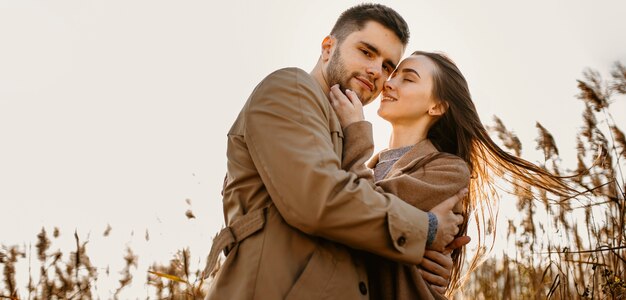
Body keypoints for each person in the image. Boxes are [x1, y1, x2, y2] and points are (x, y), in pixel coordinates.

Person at [203, 4, 469, 300]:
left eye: (386, 66)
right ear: (328, 47)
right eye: (367, 52)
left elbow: (358, 220)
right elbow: (324, 201)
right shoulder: (292, 89)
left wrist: (421, 263)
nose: (378, 74)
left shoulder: (340, 133)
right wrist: (428, 229)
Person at [329, 51, 579, 299]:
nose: (389, 83)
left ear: (436, 107)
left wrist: (356, 129)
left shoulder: (449, 170)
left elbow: (364, 208)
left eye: (408, 78)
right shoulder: (367, 162)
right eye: (393, 75)